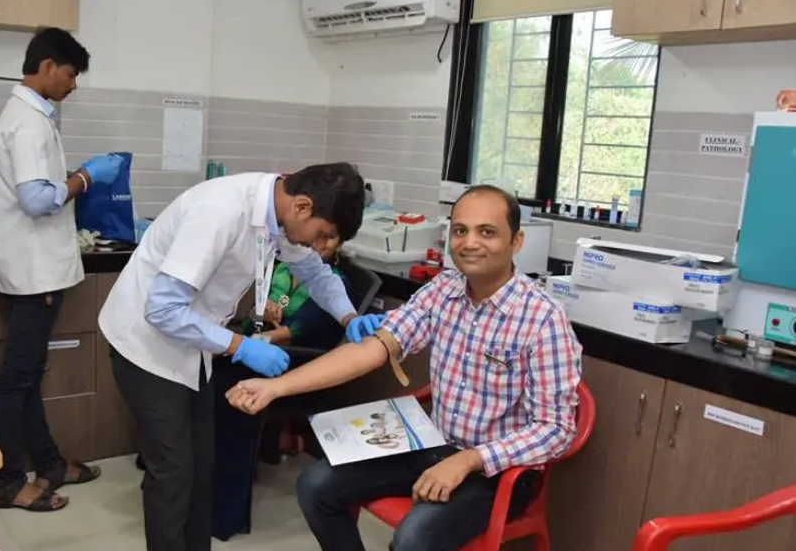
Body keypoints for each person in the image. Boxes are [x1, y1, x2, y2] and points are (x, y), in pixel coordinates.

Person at [227, 185, 583, 551]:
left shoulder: (543, 320)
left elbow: (555, 430)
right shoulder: (444, 290)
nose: (470, 243)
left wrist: (470, 460)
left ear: (516, 241)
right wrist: (276, 387)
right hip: (434, 443)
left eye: (487, 232)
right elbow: (372, 349)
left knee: (414, 538)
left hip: (498, 469)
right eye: (460, 231)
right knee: (315, 486)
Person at [98, 164, 380, 551]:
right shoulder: (219, 212)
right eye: (324, 234)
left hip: (194, 344)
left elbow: (317, 275)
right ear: (302, 207)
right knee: (173, 473)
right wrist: (241, 346)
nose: (319, 246)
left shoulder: (280, 214)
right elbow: (162, 310)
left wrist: (350, 317)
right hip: (145, 346)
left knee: (200, 468)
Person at [0, 27, 123, 512]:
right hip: (34, 273)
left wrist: (78, 176)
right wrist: (85, 178)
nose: (73, 84)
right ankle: (6, 484)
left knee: (27, 375)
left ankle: (48, 463)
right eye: (69, 74)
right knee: (16, 381)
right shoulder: (26, 122)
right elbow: (37, 199)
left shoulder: (32, 117)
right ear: (46, 67)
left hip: (34, 269)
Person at [212, 237, 350, 540]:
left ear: (339, 242)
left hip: (293, 363)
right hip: (254, 350)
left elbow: (296, 332)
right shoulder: (281, 270)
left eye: (328, 238)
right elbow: (253, 316)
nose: (318, 243)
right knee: (206, 376)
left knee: (224, 386)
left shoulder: (331, 284)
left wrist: (241, 345)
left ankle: (224, 514)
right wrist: (259, 315)